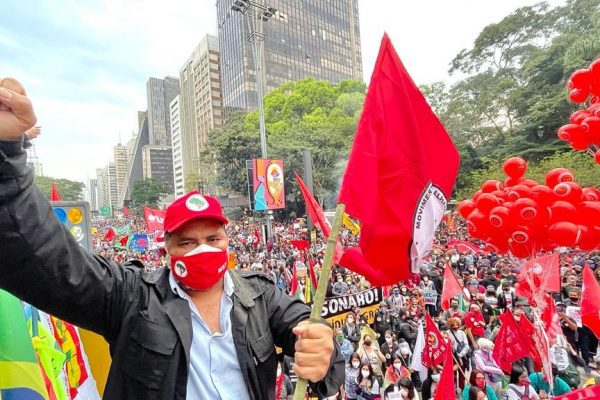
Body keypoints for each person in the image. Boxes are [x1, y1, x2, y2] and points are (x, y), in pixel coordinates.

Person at [0, 78, 343, 399]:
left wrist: (321, 346)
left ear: (228, 240)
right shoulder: (130, 297)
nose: (203, 249)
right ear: (167, 249)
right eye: (187, 243)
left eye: (213, 237)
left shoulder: (262, 297)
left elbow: (308, 326)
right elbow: (46, 258)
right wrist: (7, 155)